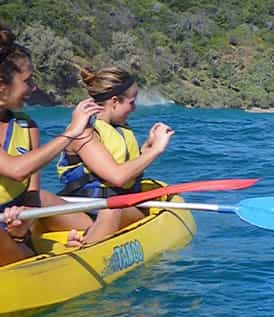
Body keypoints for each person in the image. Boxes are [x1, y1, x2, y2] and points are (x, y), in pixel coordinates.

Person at [0, 26, 101, 265]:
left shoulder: (27, 127)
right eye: (27, 80)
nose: (33, 87)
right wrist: (69, 134)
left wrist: (23, 227)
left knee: (90, 228)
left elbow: (31, 194)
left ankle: (84, 246)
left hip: (16, 228)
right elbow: (16, 169)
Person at [57, 66, 173, 246]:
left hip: (120, 208)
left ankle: (86, 241)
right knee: (39, 197)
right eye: (131, 102)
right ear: (114, 102)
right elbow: (118, 177)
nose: (133, 108)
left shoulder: (119, 127)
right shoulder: (84, 131)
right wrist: (157, 149)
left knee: (111, 210)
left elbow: (123, 169)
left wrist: (147, 149)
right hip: (84, 208)